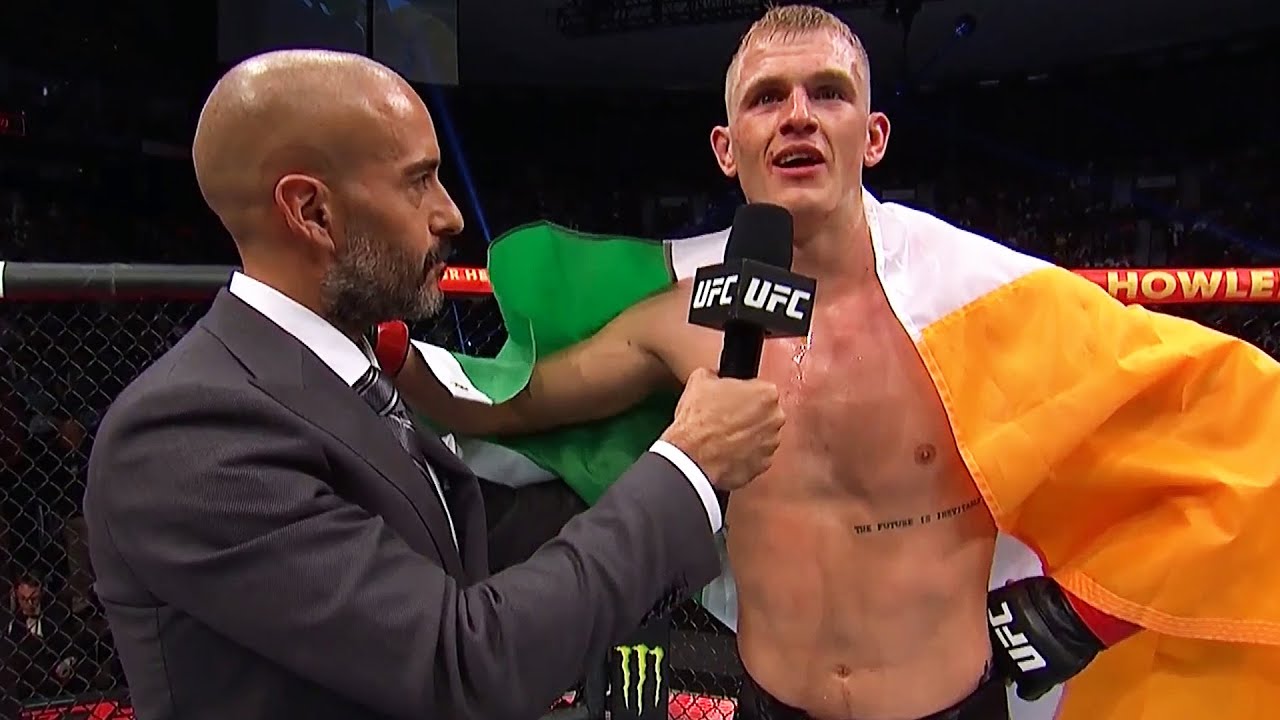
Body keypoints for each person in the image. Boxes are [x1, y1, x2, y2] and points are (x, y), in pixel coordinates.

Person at [380, 6, 1280, 720]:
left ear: (874, 135)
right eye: (768, 97)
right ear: (728, 149)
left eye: (828, 92)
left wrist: (1088, 611)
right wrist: (395, 361)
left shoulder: (983, 311)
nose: (799, 115)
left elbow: (1243, 438)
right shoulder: (683, 323)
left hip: (948, 708)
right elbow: (516, 406)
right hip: (772, 700)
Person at [82, 49, 786, 720]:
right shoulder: (189, 434)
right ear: (312, 211)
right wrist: (688, 468)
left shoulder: (339, 381)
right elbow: (462, 667)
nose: (450, 214)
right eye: (419, 180)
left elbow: (452, 555)